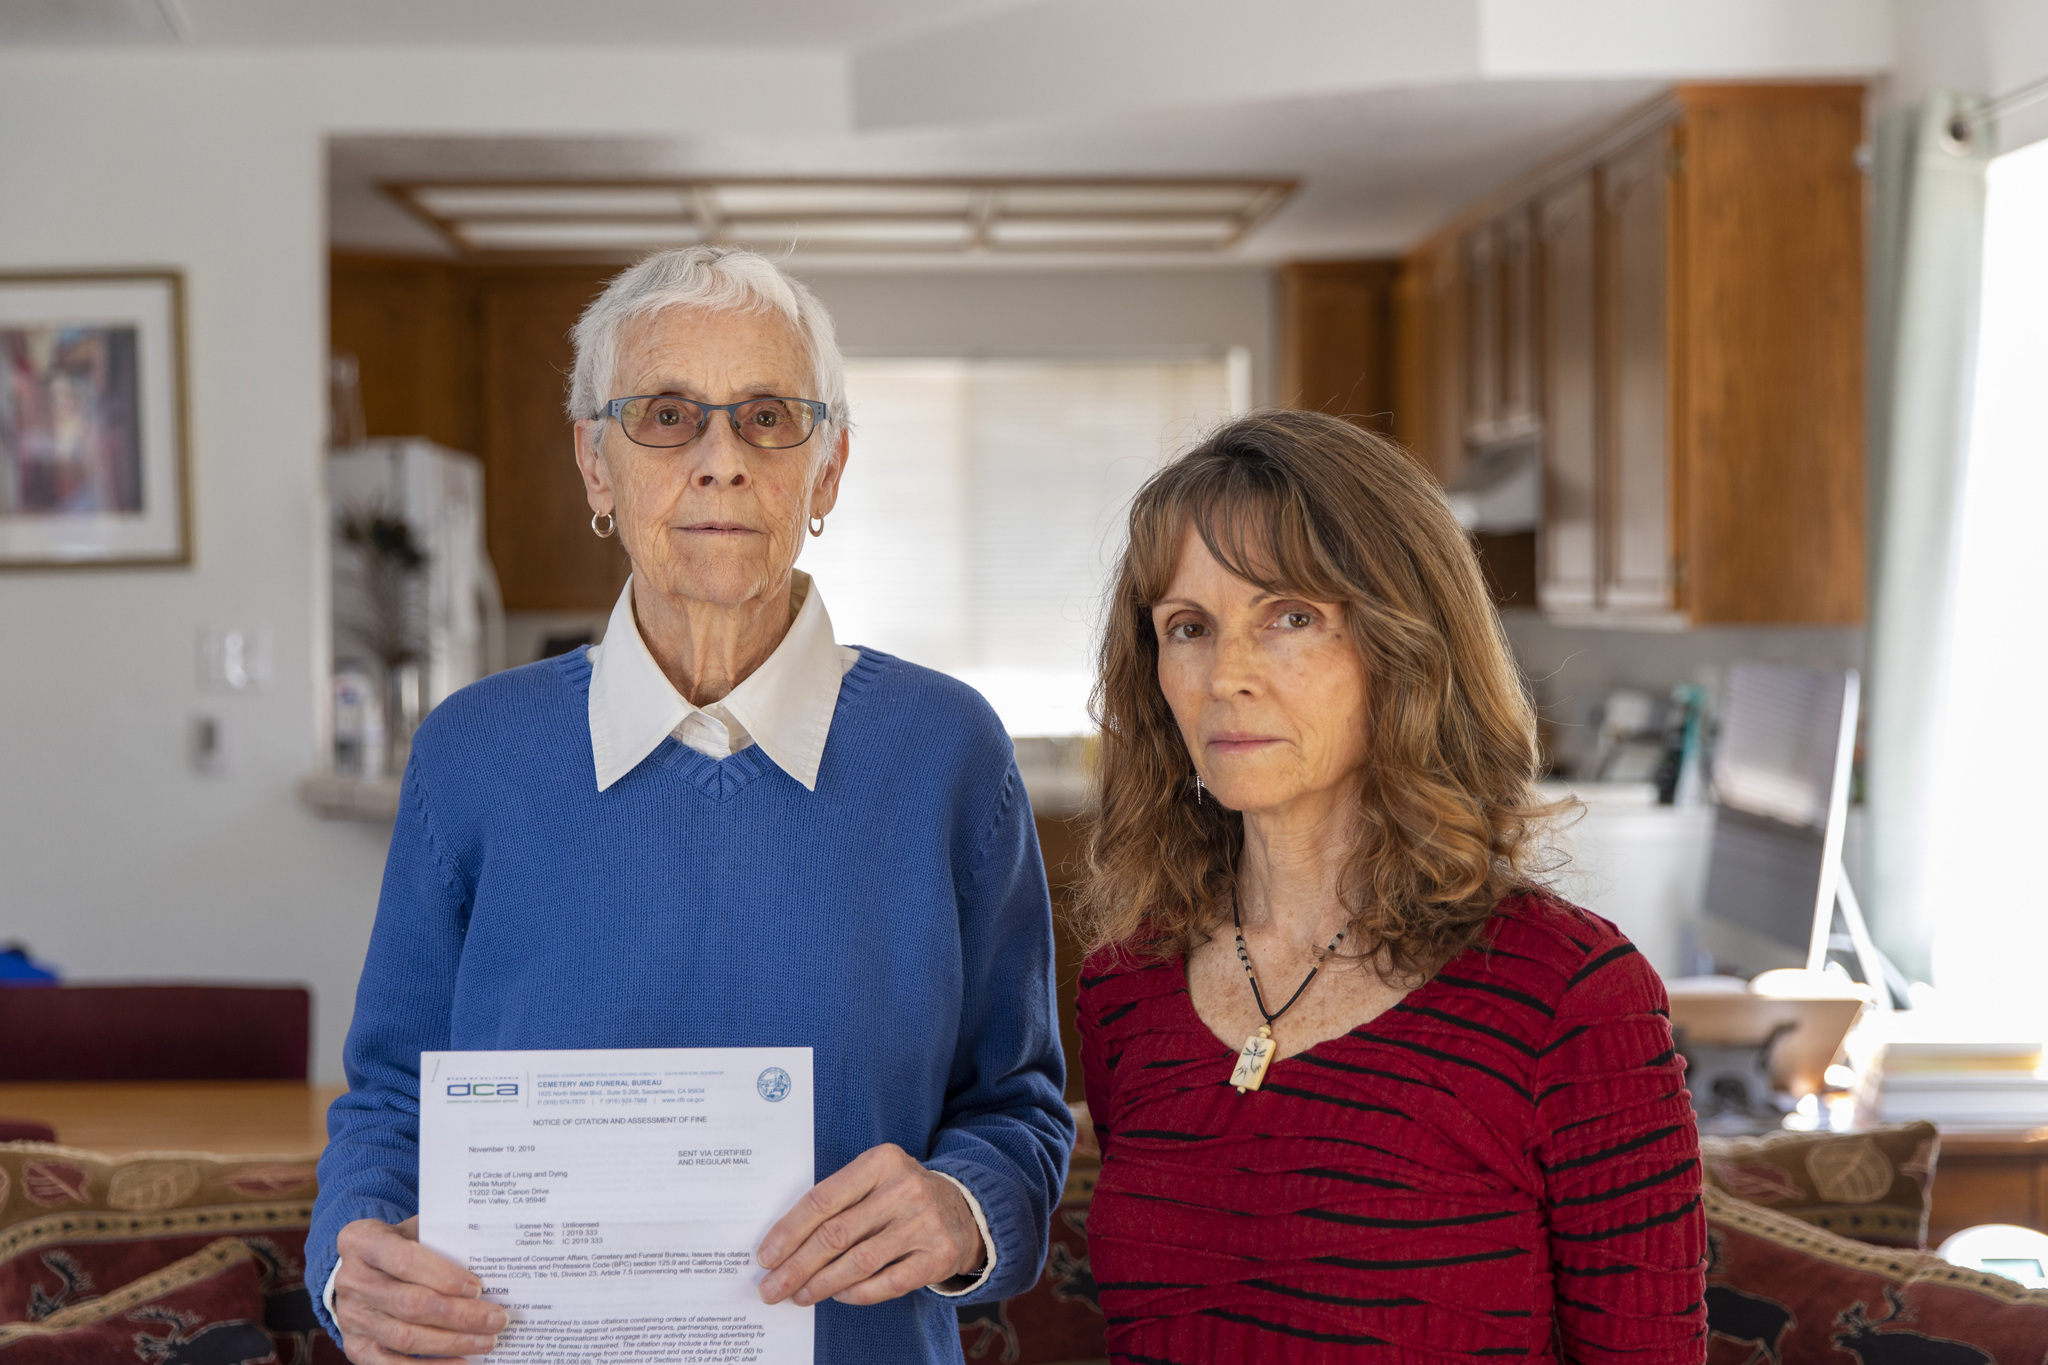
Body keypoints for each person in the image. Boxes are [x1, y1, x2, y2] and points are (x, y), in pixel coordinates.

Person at [308, 246, 1073, 1365]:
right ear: (595, 466)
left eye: (768, 417)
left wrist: (961, 1211)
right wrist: (353, 1268)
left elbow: (1019, 1103)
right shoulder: (472, 753)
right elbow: (390, 1097)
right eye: (666, 415)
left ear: (828, 469)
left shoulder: (944, 750)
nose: (719, 460)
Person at [1072, 410, 1705, 1363]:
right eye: (1188, 627)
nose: (1225, 675)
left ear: (1407, 647)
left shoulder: (1569, 996)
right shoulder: (1127, 987)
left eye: (1290, 617)